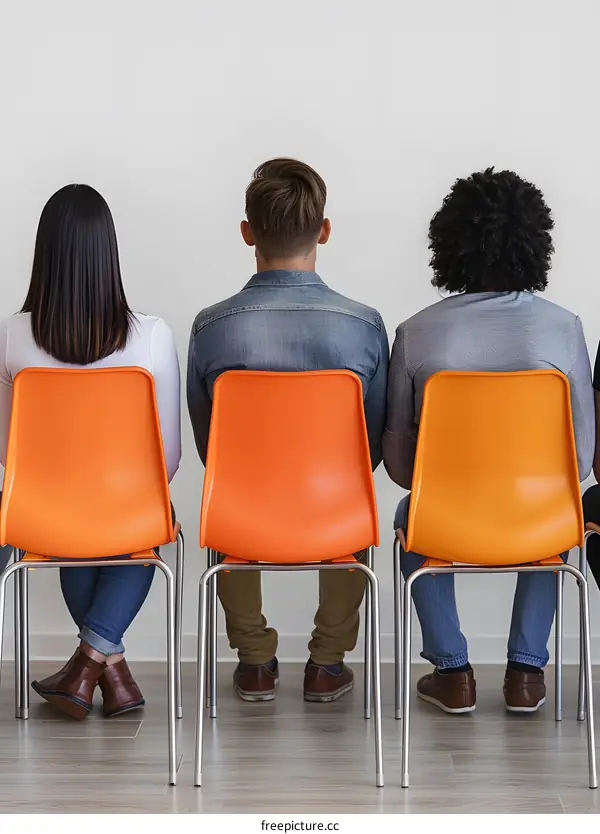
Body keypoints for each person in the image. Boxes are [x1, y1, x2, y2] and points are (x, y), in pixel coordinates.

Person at [384, 168, 594, 715]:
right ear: (535, 242)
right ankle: (527, 674)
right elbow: (580, 460)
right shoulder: (564, 329)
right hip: (537, 517)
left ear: (448, 242)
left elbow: (402, 468)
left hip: (445, 517)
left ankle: (453, 673)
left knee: (411, 513)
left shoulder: (415, 333)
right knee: (561, 515)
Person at [187, 158, 388, 703]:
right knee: (355, 502)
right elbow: (369, 448)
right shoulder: (365, 325)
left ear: (246, 232)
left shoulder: (211, 327)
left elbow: (211, 449)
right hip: (335, 511)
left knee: (226, 503)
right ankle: (327, 664)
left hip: (242, 511)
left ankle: (254, 661)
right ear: (325, 230)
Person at [0, 185, 181, 720]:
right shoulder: (152, 337)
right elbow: (166, 462)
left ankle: (90, 668)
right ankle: (104, 663)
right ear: (109, 254)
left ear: (44, 254)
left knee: (76, 531)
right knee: (148, 520)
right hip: (128, 511)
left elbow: (9, 454)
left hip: (42, 512)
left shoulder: (10, 338)